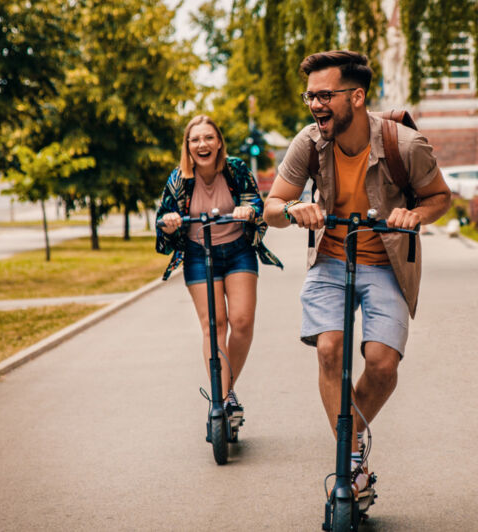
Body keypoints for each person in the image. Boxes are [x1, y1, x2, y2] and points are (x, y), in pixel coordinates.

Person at [264, 51, 451, 498]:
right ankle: (350, 465)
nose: (315, 105)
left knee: (383, 366)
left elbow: (441, 197)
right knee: (329, 349)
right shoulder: (308, 143)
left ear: (357, 96)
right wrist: (293, 209)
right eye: (310, 96)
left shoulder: (405, 145)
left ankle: (349, 444)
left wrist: (414, 214)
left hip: (386, 262)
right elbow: (271, 208)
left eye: (325, 95)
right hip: (330, 259)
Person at [156, 114, 283, 423]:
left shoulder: (235, 169)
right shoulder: (178, 180)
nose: (203, 144)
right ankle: (224, 400)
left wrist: (247, 210)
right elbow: (162, 228)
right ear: (188, 146)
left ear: (219, 142)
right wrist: (170, 224)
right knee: (215, 325)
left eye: (209, 138)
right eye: (196, 139)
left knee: (241, 321)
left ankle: (225, 392)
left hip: (238, 251)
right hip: (200, 255)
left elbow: (257, 206)